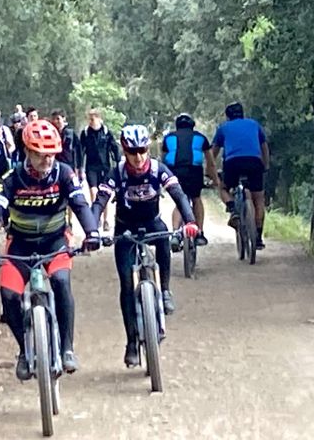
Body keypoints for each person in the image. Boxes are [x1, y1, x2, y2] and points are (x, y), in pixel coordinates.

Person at [0, 119, 102, 380]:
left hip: (55, 242)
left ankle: (67, 348)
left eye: (51, 154)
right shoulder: (11, 178)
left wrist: (92, 233)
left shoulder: (64, 174)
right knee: (8, 296)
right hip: (20, 244)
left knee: (62, 282)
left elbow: (80, 204)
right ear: (27, 151)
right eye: (41, 155)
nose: (47, 160)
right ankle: (23, 350)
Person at [91, 124, 199, 367]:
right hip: (125, 229)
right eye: (132, 152)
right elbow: (99, 202)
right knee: (127, 285)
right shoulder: (116, 173)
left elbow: (179, 194)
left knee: (163, 238)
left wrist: (190, 221)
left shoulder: (159, 169)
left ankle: (167, 289)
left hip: (152, 223)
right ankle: (131, 343)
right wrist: (92, 230)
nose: (138, 157)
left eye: (142, 151)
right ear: (124, 150)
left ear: (148, 149)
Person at [212, 102, 270, 250]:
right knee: (258, 199)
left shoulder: (223, 128)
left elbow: (213, 152)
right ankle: (257, 236)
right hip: (254, 162)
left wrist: (210, 171)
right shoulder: (254, 124)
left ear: (227, 116)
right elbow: (264, 147)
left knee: (223, 187)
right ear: (242, 113)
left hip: (233, 163)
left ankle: (232, 208)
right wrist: (265, 165)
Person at [161, 113, 216, 248]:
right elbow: (211, 162)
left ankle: (175, 233)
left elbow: (163, 161)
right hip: (194, 171)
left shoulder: (168, 138)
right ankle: (200, 233)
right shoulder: (200, 137)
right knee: (196, 198)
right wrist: (214, 179)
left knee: (180, 201)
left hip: (174, 171)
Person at [80, 108, 121, 231]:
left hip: (105, 166)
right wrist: (79, 166)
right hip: (91, 167)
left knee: (104, 193)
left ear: (99, 118)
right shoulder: (86, 133)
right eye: (90, 118)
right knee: (93, 192)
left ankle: (105, 220)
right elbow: (81, 151)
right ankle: (95, 217)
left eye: (93, 118)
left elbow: (114, 147)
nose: (91, 121)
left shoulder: (106, 132)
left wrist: (118, 162)